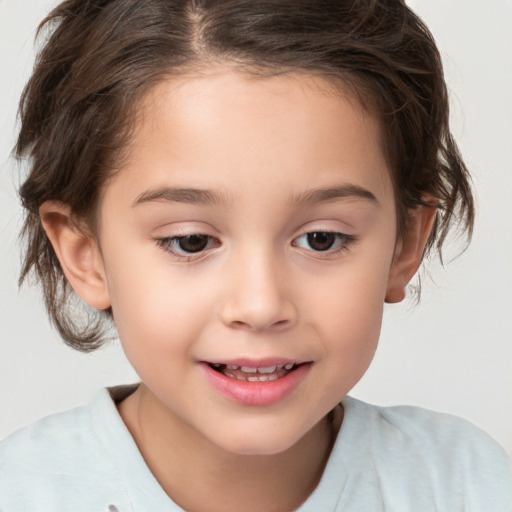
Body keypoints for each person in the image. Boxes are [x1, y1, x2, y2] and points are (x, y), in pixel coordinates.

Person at [1, 0, 511, 510]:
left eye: (322, 239)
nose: (261, 305)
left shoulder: (467, 487)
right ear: (85, 253)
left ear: (404, 245)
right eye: (191, 241)